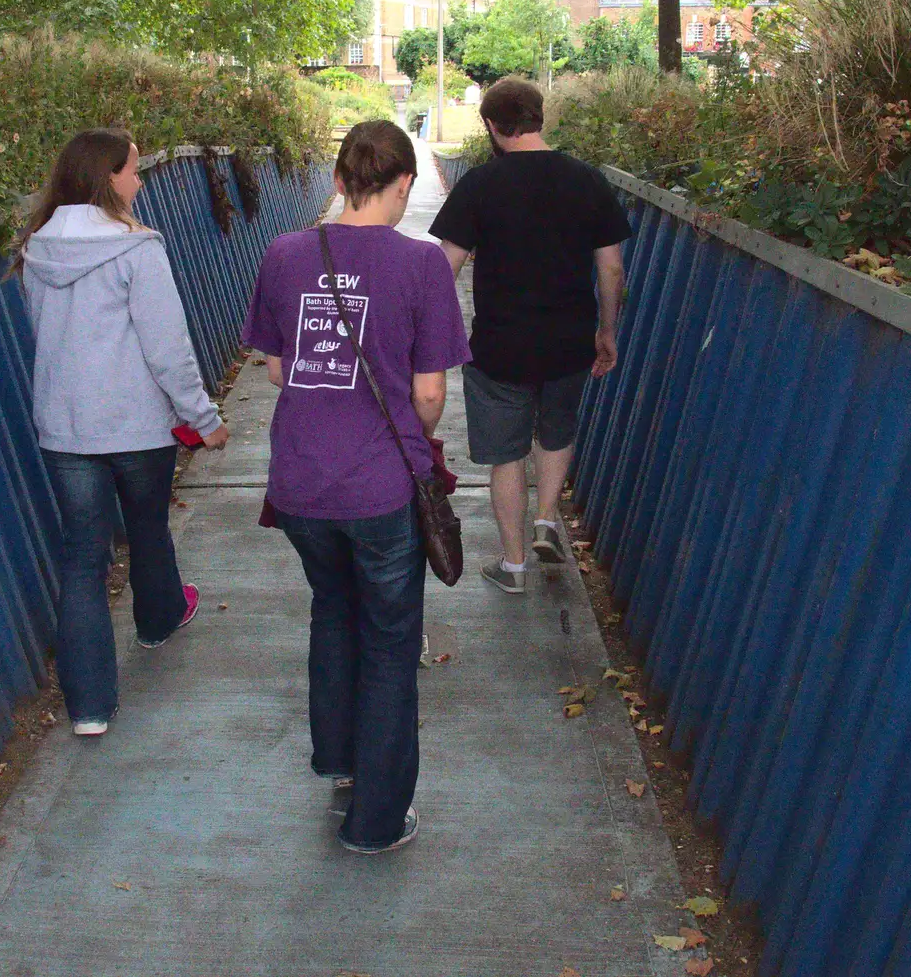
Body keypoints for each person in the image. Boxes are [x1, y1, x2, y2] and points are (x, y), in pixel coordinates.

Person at [243, 120, 469, 854]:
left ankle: (339, 761)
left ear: (339, 180)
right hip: (379, 487)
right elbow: (430, 395)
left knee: (333, 611)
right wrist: (407, 420)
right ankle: (375, 821)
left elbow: (277, 369)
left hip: (301, 483)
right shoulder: (421, 264)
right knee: (390, 639)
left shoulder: (284, 254)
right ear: (403, 183)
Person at [13, 129, 229, 739]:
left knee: (82, 560)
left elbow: (43, 333)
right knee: (147, 525)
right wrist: (203, 419)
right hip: (136, 424)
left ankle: (87, 708)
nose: (139, 182)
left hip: (66, 427)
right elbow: (166, 348)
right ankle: (158, 620)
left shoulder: (37, 247)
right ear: (108, 176)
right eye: (134, 171)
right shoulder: (136, 248)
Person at [428, 77, 630, 594]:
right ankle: (546, 519)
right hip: (569, 343)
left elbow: (443, 267)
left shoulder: (480, 184)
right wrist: (605, 332)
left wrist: (435, 333)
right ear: (541, 117)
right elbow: (610, 269)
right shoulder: (587, 181)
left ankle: (514, 566)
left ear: (492, 126)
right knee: (557, 430)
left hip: (499, 347)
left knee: (507, 455)